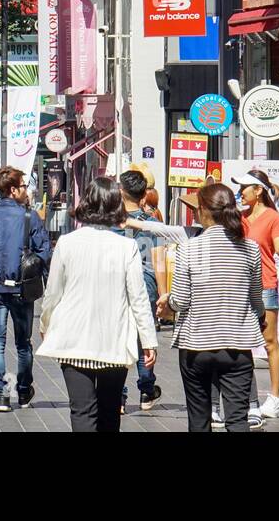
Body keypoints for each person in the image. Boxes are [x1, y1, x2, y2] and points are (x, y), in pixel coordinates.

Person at [38, 177, 157, 432]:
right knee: (109, 411)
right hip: (113, 341)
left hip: (74, 340)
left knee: (81, 410)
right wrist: (148, 341)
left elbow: (52, 293)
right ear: (117, 205)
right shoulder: (127, 247)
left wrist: (45, 323)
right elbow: (138, 298)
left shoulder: (67, 243)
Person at [168, 184, 265, 433]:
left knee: (199, 421)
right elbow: (256, 298)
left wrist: (166, 303)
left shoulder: (190, 248)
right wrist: (259, 317)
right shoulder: (250, 248)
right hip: (237, 345)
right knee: (237, 421)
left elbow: (181, 300)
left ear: (202, 211)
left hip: (196, 345)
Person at [0, 166, 51, 412]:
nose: (26, 191)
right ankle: (24, 390)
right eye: (24, 186)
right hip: (21, 288)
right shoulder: (30, 218)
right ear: (13, 189)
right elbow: (44, 253)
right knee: (23, 342)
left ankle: (1, 394)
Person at [234, 170, 279, 420]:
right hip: (241, 286)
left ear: (258, 190)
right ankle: (248, 399)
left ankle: (275, 399)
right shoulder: (240, 217)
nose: (241, 192)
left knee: (269, 341)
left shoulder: (272, 217)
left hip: (264, 285)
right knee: (242, 345)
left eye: (245, 188)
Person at [118, 169, 161, 413]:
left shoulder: (114, 222)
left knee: (121, 339)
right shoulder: (153, 225)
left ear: (121, 192)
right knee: (144, 338)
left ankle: (119, 396)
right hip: (148, 285)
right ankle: (146, 390)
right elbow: (162, 262)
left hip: (120, 286)